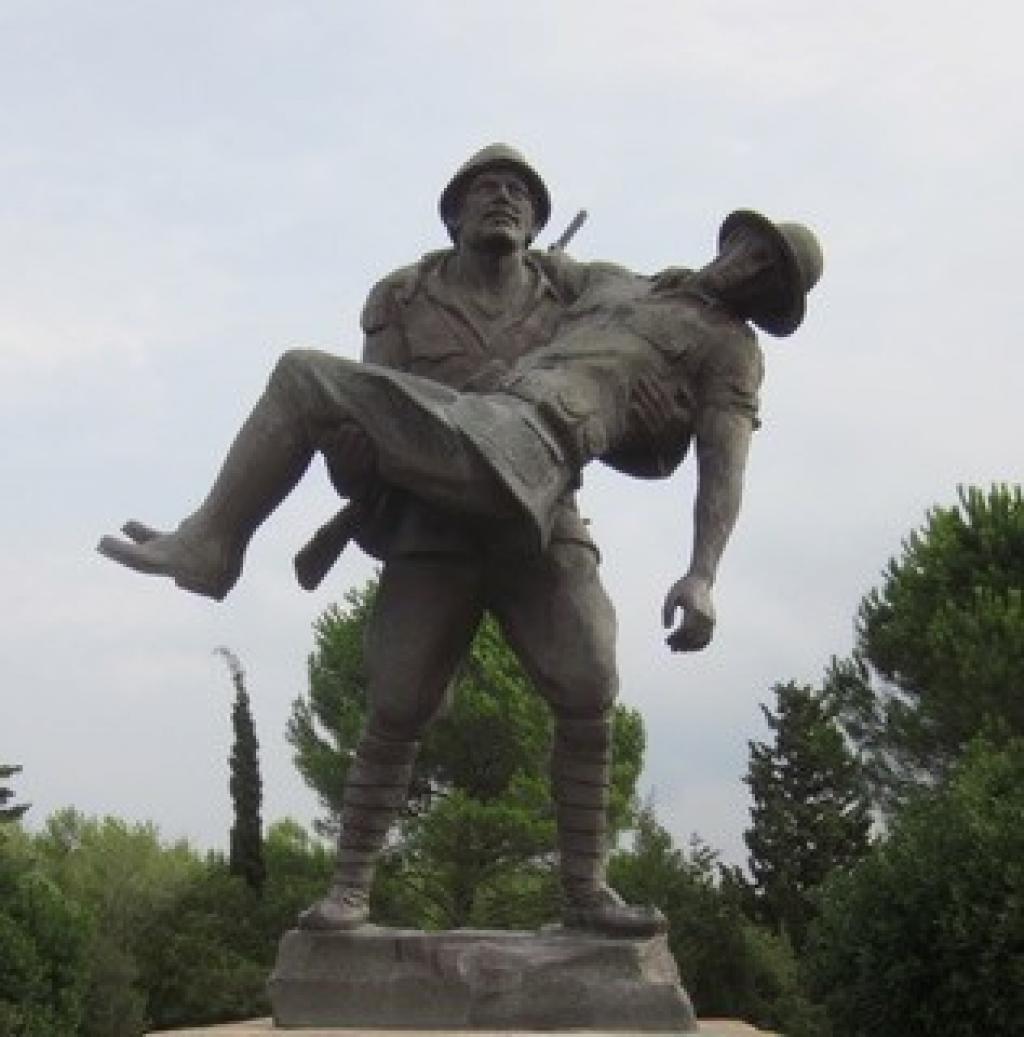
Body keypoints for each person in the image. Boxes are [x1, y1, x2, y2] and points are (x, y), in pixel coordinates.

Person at [98, 146, 822, 935]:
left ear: (774, 300)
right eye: (749, 247)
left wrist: (700, 568)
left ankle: (585, 892)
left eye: (770, 272)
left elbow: (717, 461)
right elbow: (385, 421)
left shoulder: (727, 349)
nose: (749, 267)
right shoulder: (594, 283)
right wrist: (361, 462)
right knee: (397, 699)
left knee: (590, 681)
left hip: (533, 490)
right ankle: (349, 891)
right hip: (439, 510)